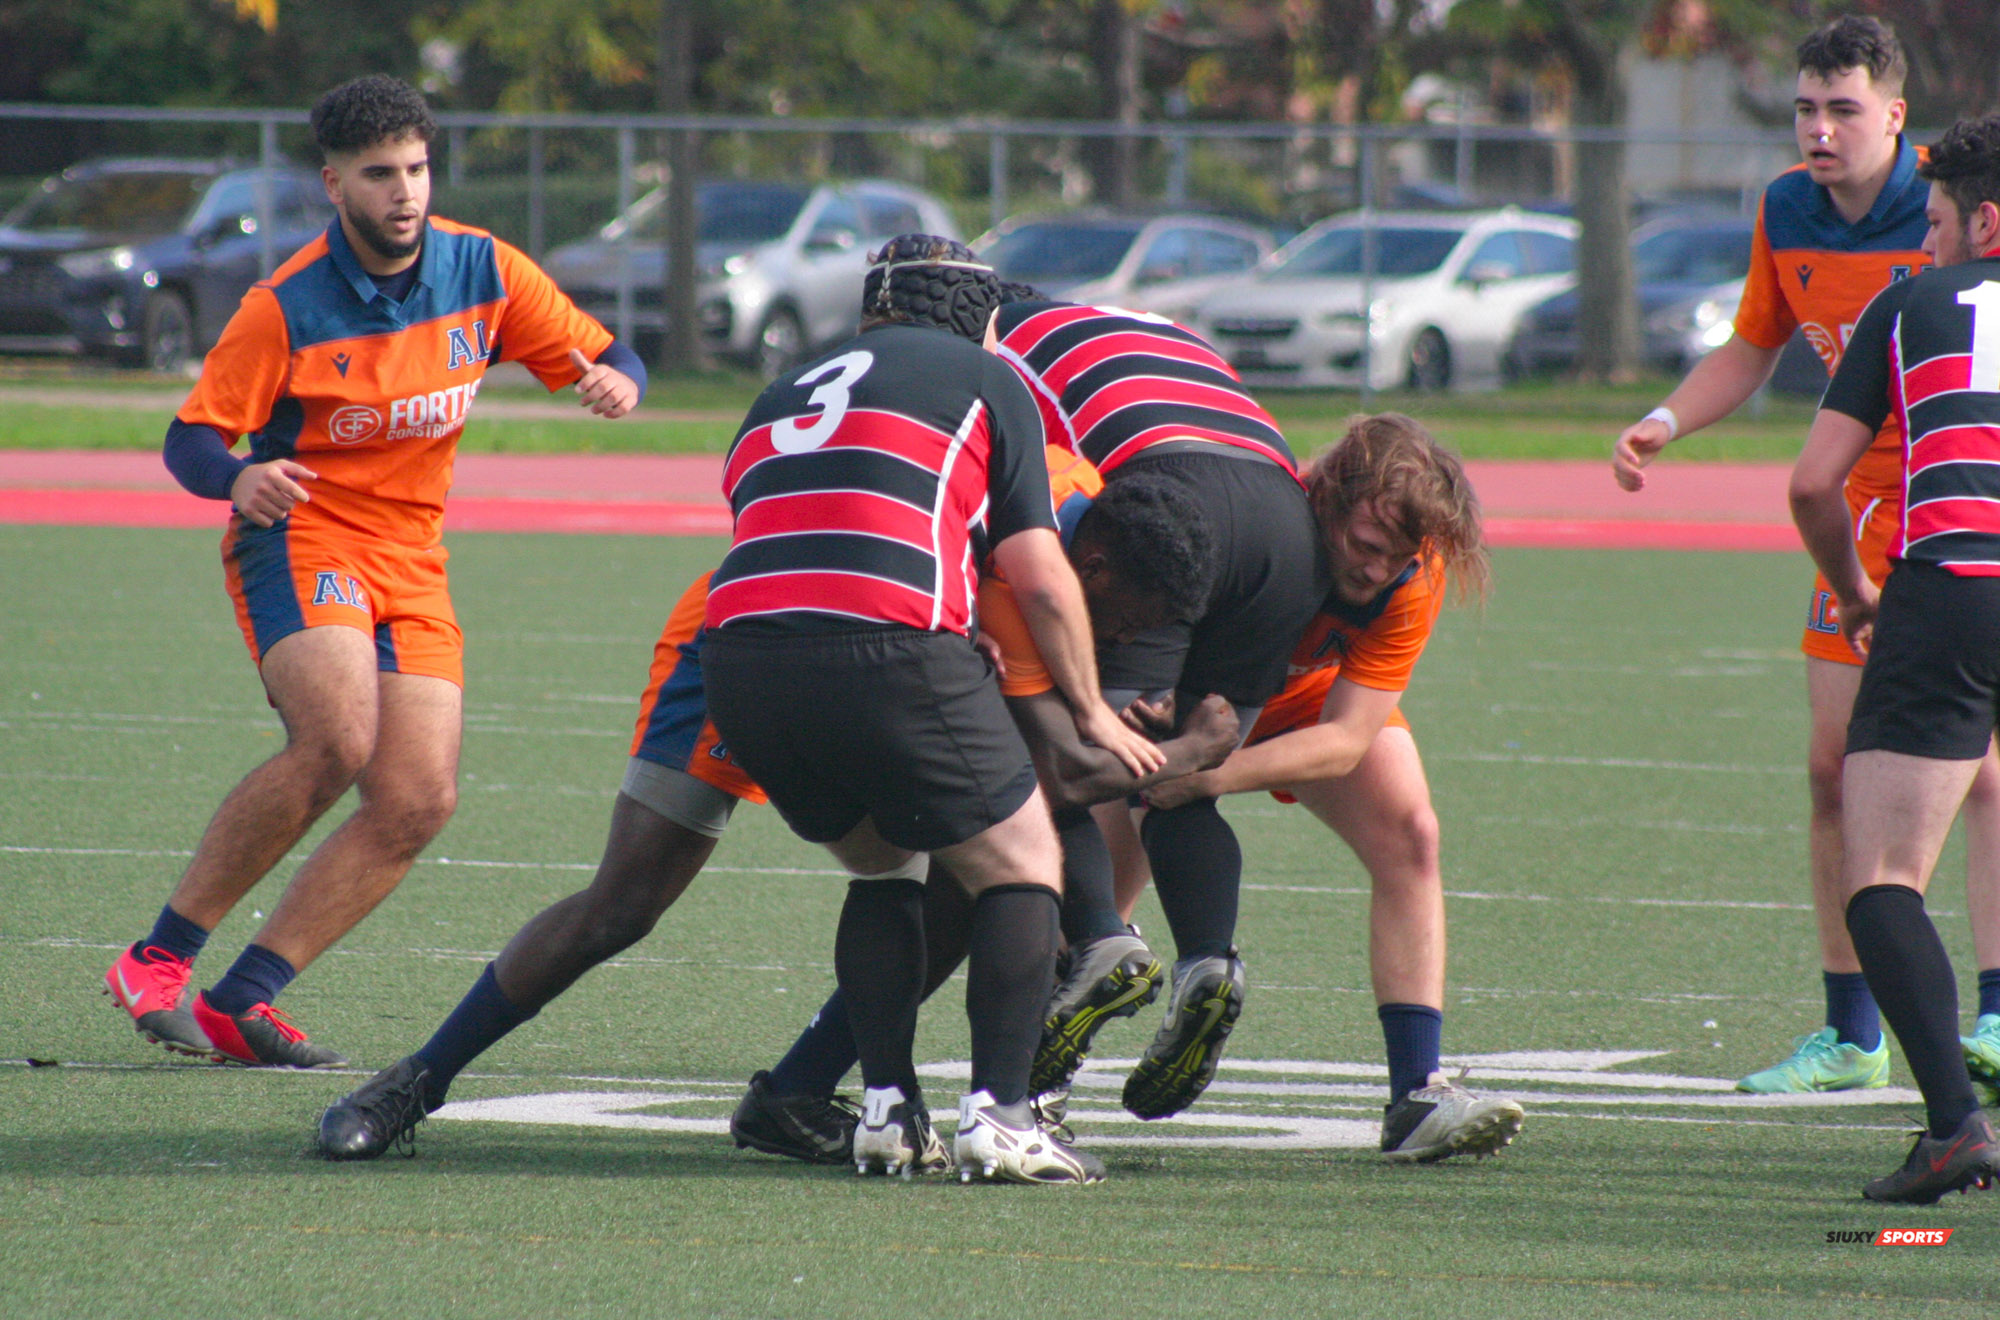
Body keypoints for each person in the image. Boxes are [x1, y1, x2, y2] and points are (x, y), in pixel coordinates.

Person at [314, 449, 1236, 1162]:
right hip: (752, 638)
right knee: (622, 905)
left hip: (868, 654)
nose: (1118, 643)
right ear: (1097, 563)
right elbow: (1062, 775)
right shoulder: (1030, 564)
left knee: (966, 873)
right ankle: (416, 1081)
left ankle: (813, 1093)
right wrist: (1185, 756)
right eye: (1124, 622)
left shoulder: (1067, 500)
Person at [101, 75, 645, 1068]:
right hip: (303, 537)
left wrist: (614, 381)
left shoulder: (483, 270)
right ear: (333, 184)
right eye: (380, 174)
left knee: (416, 800)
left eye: (417, 169)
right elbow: (189, 442)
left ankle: (242, 1001)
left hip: (412, 558)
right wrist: (239, 475)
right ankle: (157, 959)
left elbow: (609, 354)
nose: (404, 192)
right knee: (338, 740)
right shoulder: (286, 306)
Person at [707, 232, 1185, 1186]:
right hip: (885, 645)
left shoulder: (779, 390)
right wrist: (1091, 709)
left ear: (874, 310)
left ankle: (885, 1110)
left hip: (740, 663)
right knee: (1021, 863)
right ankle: (1001, 1117)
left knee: (885, 870)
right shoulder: (986, 376)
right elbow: (1042, 574)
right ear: (983, 318)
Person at [1612, 16, 2000, 1096]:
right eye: (1803, 109)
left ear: (1893, 118)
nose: (1818, 132)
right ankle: (1851, 1035)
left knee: (1977, 771)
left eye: (1840, 110)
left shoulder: (1950, 210)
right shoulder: (1783, 207)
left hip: (1947, 505)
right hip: (1859, 515)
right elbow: (1753, 341)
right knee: (1832, 768)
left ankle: (1992, 1016)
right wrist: (1663, 418)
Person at [1130, 414, 1522, 1161]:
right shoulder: (1259, 521)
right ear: (1325, 496)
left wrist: (1210, 776)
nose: (1380, 569)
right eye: (1368, 546)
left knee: (1413, 835)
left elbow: (1346, 738)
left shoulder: (1413, 569)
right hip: (1184, 698)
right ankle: (1030, 1088)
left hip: (1301, 700)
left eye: (1398, 554)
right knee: (1098, 912)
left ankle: (1415, 1095)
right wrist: (1173, 759)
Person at [992, 296, 1332, 1122]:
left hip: (1166, 517)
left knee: (1056, 779)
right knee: (1179, 785)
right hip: (1288, 534)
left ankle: (1055, 1043)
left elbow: (1035, 500)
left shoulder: (1004, 341)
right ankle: (1209, 960)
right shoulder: (1163, 326)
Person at [1787, 114, 2000, 1202]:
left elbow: (1813, 484)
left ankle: (1955, 1129)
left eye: (1933, 224)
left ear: (1984, 223)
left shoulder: (1907, 303)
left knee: (1879, 878)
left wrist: (1860, 592)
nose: (1924, 243)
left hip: (1954, 588)